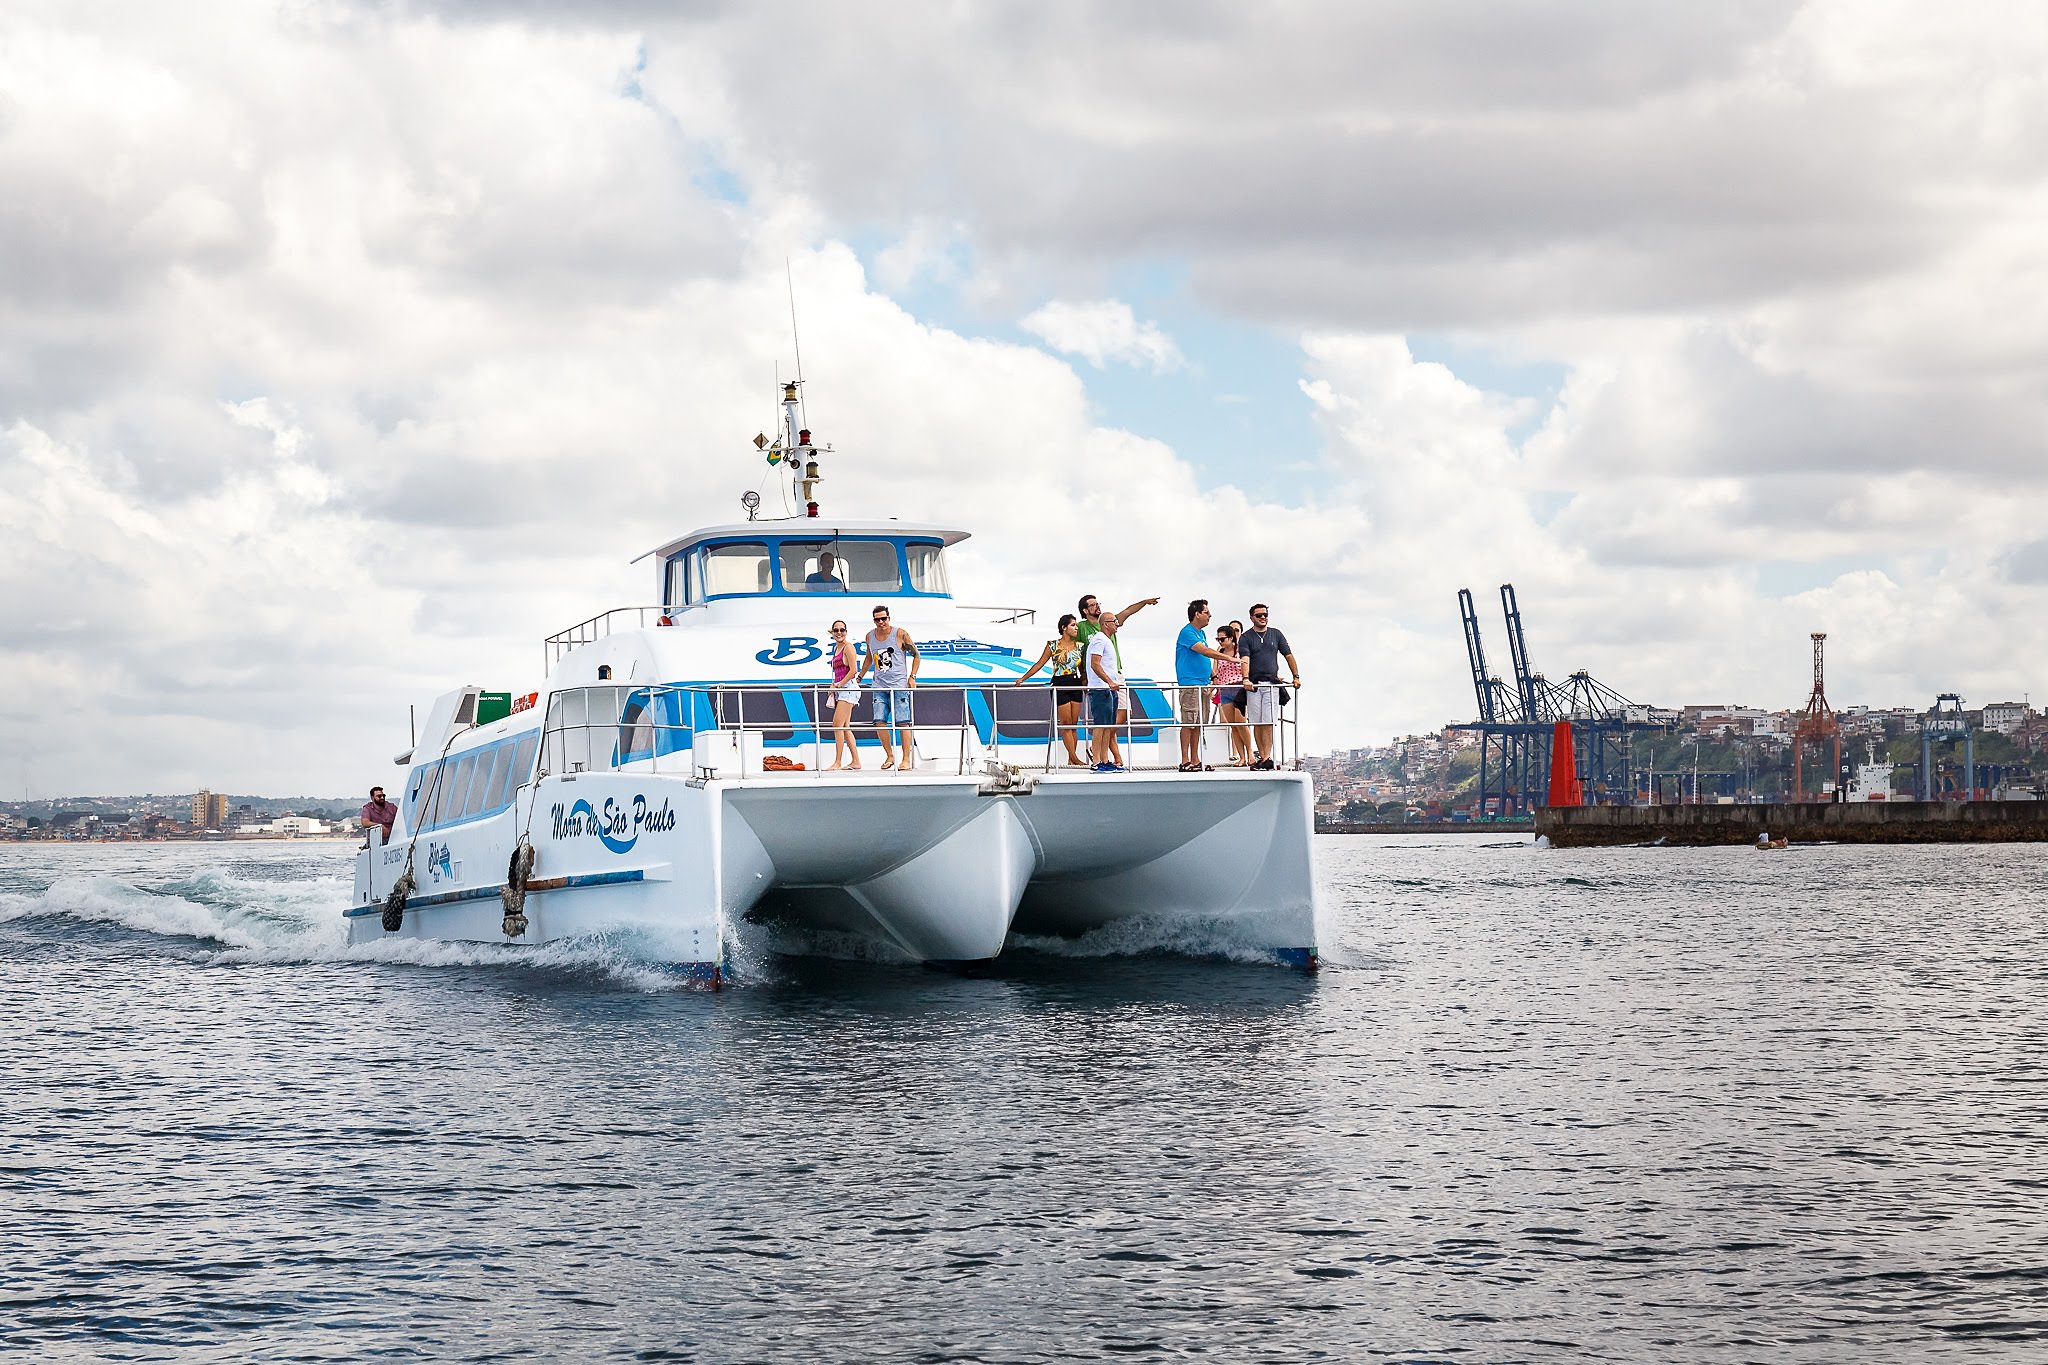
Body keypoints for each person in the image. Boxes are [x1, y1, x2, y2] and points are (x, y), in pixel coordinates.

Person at [1015, 613, 1087, 767]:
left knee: (1074, 724)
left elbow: (1082, 670)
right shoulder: (1052, 645)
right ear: (1064, 627)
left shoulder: (1080, 646)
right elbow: (1039, 664)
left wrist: (1086, 685)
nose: (1076, 628)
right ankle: (1074, 757)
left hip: (1075, 683)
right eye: (1073, 625)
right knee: (1066, 723)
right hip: (1059, 682)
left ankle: (1071, 759)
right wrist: (1023, 679)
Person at [1238, 603, 1301, 770]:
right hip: (1254, 685)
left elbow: (1288, 654)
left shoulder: (1276, 634)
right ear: (1252, 617)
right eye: (1259, 615)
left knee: (1268, 721)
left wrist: (1296, 676)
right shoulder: (1245, 637)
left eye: (1265, 615)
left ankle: (1266, 756)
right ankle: (1263, 756)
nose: (1263, 618)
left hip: (1271, 684)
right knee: (1257, 722)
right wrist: (1245, 678)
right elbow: (1245, 658)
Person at [857, 605, 920, 772]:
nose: (881, 622)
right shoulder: (870, 636)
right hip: (879, 684)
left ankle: (906, 758)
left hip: (899, 685)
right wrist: (860, 676)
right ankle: (890, 755)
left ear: (889, 618)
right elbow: (869, 658)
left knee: (903, 723)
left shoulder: (900, 634)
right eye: (877, 619)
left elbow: (916, 655)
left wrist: (912, 676)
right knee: (879, 721)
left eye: (883, 618)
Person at [1175, 599, 1227, 771]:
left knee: (1199, 724)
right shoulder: (1187, 632)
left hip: (1203, 684)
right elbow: (1204, 651)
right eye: (1206, 612)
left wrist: (1213, 675)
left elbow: (1202, 657)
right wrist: (1228, 657)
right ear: (1197, 614)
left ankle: (1195, 759)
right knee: (1189, 722)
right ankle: (1184, 760)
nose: (1210, 615)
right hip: (1191, 684)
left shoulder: (1201, 634)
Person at [1086, 610, 1127, 771]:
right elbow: (1095, 663)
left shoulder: (1106, 640)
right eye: (1114, 621)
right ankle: (1096, 761)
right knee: (1100, 725)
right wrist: (1109, 681)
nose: (1117, 624)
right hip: (1100, 688)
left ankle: (1104, 759)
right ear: (1105, 624)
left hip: (1109, 689)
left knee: (1108, 726)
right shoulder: (1099, 640)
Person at [1211, 623, 1252, 767]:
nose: (1220, 642)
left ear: (1231, 638)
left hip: (1238, 689)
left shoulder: (1241, 649)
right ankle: (1241, 757)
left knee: (1241, 724)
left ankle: (1250, 754)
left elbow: (1247, 666)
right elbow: (1215, 670)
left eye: (1222, 639)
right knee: (1233, 725)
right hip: (1224, 690)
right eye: (1218, 639)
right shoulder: (1219, 652)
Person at [826, 619, 862, 770]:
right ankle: (856, 761)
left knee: (837, 725)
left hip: (848, 688)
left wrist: (839, 685)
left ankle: (838, 762)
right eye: (836, 630)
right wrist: (833, 685)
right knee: (845, 726)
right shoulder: (836, 647)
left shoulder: (848, 647)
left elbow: (853, 670)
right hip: (841, 687)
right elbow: (839, 671)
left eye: (842, 630)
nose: (839, 633)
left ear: (846, 632)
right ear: (832, 632)